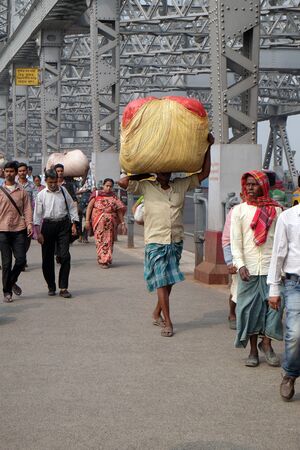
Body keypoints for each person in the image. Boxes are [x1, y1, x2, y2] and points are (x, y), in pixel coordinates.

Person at [118, 134, 213, 338]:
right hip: (155, 240)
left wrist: (208, 147)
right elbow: (122, 181)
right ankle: (168, 322)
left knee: (169, 280)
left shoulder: (180, 185)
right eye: (160, 169)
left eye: (167, 169)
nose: (164, 173)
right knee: (162, 281)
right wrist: (143, 173)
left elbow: (204, 173)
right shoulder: (145, 185)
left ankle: (156, 312)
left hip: (176, 239)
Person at [231, 170, 283, 367]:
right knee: (249, 311)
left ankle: (267, 344)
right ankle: (253, 350)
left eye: (255, 184)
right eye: (248, 184)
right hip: (249, 270)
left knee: (275, 309)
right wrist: (240, 264)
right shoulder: (239, 211)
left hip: (271, 269)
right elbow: (236, 242)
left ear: (263, 186)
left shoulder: (276, 211)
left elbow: (280, 243)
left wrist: (281, 271)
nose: (250, 188)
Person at [267, 202, 300, 401]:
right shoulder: (288, 217)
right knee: (295, 333)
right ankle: (290, 374)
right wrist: (273, 288)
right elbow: (278, 254)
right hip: (295, 283)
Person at [33, 169, 79, 298]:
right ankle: (51, 286)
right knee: (47, 258)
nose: (53, 185)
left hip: (63, 226)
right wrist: (38, 233)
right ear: (46, 181)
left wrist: (74, 223)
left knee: (65, 256)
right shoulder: (41, 195)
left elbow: (71, 207)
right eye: (50, 182)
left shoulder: (64, 192)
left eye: (55, 182)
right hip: (47, 227)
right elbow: (37, 215)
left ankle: (63, 287)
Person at [0, 161, 33, 302]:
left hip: (19, 229)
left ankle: (11, 281)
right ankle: (7, 291)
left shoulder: (22, 191)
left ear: (15, 172)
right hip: (2, 230)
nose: (9, 174)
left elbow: (27, 209)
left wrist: (29, 224)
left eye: (11, 171)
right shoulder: (0, 190)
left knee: (21, 260)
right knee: (6, 263)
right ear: (3, 172)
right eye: (6, 171)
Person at [85, 178, 127, 268]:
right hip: (98, 222)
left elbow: (119, 210)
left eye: (110, 186)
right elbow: (89, 208)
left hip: (111, 223)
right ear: (103, 185)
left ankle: (106, 259)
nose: (108, 188)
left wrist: (123, 223)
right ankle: (102, 260)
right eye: (107, 186)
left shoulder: (114, 197)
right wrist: (87, 221)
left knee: (109, 241)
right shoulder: (96, 194)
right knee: (100, 240)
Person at [17, 162, 35, 269]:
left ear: (27, 171)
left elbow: (36, 200)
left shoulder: (32, 185)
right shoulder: (12, 184)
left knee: (27, 239)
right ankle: (21, 260)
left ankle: (22, 257)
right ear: (17, 172)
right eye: (20, 171)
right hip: (16, 217)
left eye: (24, 170)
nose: (22, 173)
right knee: (18, 239)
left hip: (28, 216)